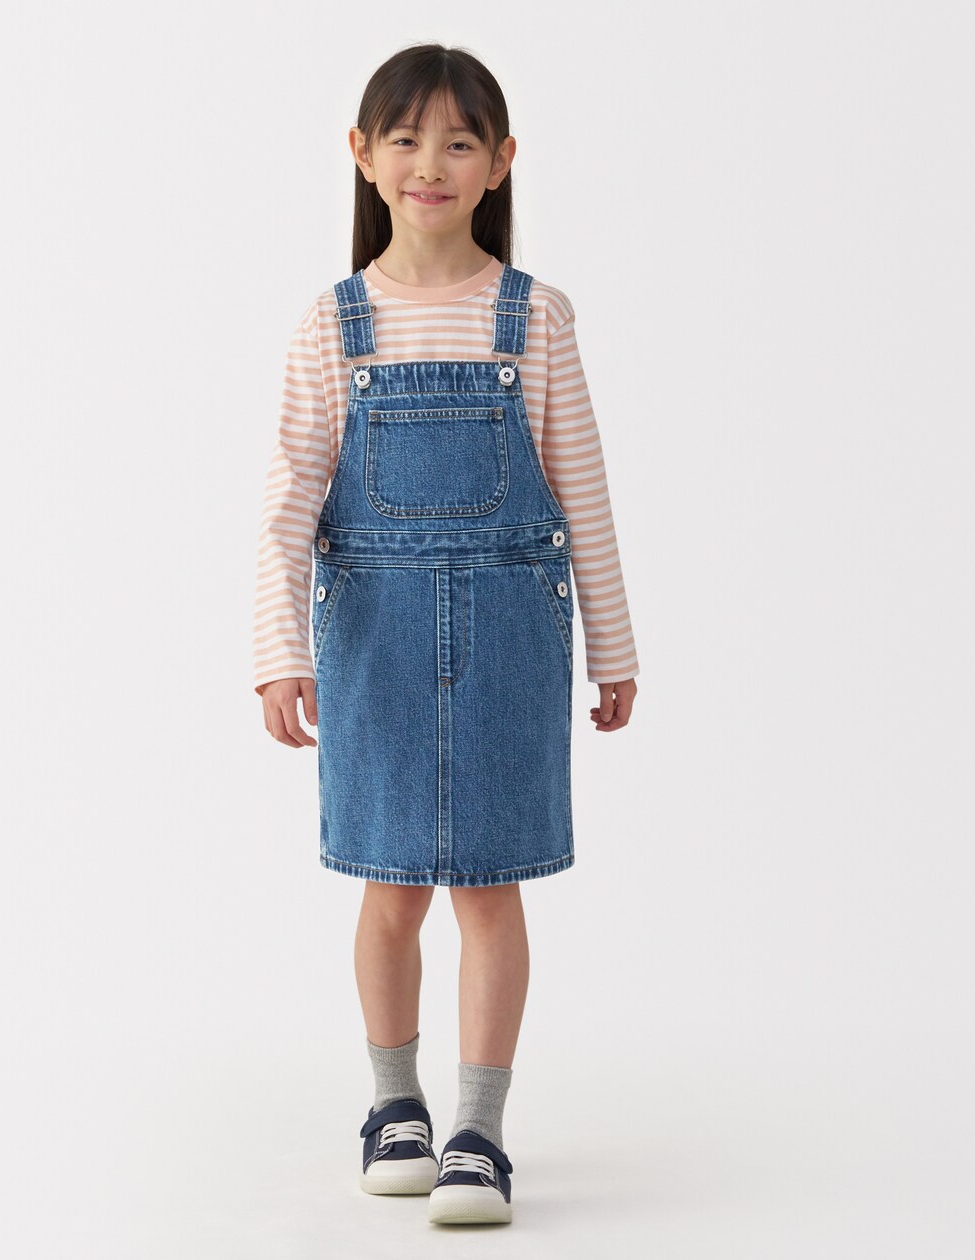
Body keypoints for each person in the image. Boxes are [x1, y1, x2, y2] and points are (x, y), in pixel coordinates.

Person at [251, 42, 639, 1226]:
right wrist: (279, 649)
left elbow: (582, 492)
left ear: (501, 161)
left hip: (511, 642)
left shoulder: (537, 319)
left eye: (460, 141)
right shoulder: (333, 325)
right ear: (363, 156)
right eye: (407, 139)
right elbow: (289, 499)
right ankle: (394, 1107)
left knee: (488, 891)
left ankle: (479, 1129)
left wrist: (614, 648)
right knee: (388, 891)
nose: (432, 163)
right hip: (372, 640)